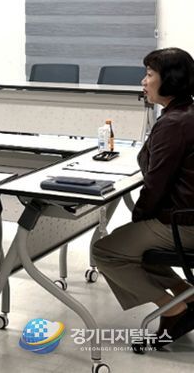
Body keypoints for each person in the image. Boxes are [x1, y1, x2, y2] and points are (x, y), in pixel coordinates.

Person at [93, 47, 194, 346]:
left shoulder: (174, 123)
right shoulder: (185, 113)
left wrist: (138, 218)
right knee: (131, 246)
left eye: (149, 75)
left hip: (183, 223)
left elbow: (155, 186)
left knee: (106, 251)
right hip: (186, 216)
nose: (143, 81)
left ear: (170, 80)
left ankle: (173, 309)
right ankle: (187, 294)